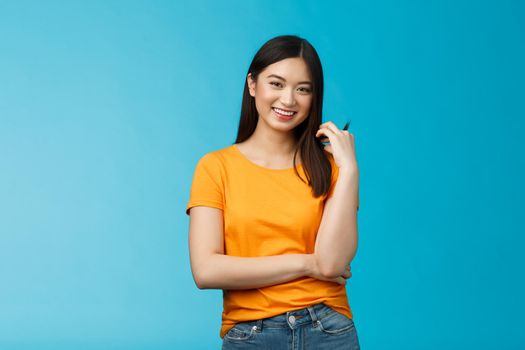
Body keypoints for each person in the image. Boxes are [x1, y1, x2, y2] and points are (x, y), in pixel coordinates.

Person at [186, 34, 360, 349]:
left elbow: (333, 264)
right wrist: (308, 263)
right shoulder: (215, 167)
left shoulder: (332, 166)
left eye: (303, 89)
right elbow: (206, 270)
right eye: (276, 84)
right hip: (251, 333)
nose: (289, 100)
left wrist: (349, 170)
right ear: (252, 84)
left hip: (329, 330)